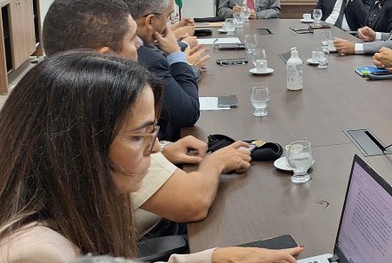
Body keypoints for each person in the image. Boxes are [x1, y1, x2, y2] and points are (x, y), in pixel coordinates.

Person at [0, 51, 303, 262]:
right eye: (139, 136)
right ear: (73, 147)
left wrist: (215, 257)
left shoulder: (69, 203)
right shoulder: (34, 252)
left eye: (153, 132)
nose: (157, 148)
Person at [41, 0, 253, 238]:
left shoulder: (48, 93)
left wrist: (164, 151)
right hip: (143, 238)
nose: (140, 45)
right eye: (132, 39)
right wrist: (217, 162)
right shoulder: (100, 114)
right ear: (106, 57)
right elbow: (193, 203)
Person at [110, 0, 200, 141]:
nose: (169, 23)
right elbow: (189, 112)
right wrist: (176, 55)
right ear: (150, 21)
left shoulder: (111, 41)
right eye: (168, 16)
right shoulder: (146, 59)